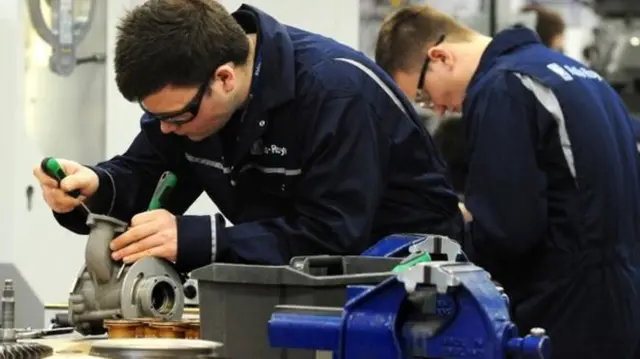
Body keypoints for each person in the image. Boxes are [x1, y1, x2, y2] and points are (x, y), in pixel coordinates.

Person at [32, 1, 463, 274]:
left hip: (414, 291)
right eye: (154, 117)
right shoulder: (192, 109)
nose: (166, 130)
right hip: (303, 288)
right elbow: (145, 178)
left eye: (177, 117)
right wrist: (92, 189)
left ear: (223, 78)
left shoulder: (336, 93)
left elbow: (335, 236)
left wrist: (201, 240)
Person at [374, 4, 640, 359]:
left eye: (423, 94)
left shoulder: (502, 88)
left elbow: (509, 231)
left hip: (563, 314)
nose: (436, 109)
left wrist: (461, 225)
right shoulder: (577, 74)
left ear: (440, 57)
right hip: (621, 302)